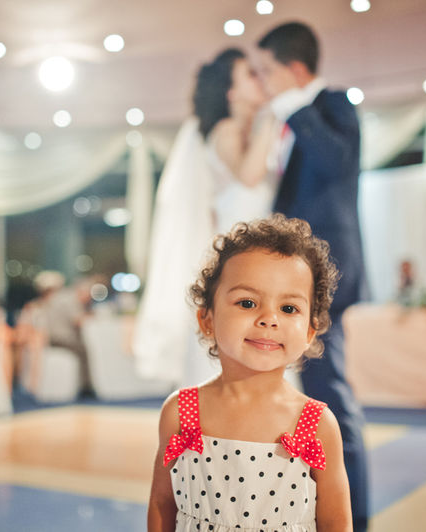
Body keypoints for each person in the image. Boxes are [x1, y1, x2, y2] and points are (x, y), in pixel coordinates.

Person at [148, 215, 352, 532]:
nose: (269, 318)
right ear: (207, 320)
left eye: (288, 308)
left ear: (309, 332)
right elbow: (162, 503)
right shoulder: (181, 411)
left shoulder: (316, 424)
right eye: (247, 303)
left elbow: (336, 521)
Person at [256, 22, 369, 530]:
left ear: (294, 68)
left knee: (330, 400)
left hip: (326, 273)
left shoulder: (332, 104)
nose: (264, 81)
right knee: (302, 399)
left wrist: (294, 109)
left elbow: (337, 162)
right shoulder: (283, 122)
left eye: (268, 71)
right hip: (289, 279)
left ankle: (353, 518)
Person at [134, 48, 280, 388]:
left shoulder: (244, 132)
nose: (260, 80)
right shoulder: (226, 130)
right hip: (238, 255)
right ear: (231, 92)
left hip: (254, 252)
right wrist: (273, 118)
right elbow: (249, 177)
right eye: (250, 75)